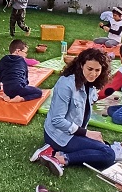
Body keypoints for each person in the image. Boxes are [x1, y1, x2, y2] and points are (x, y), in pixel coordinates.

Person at [31, 47, 115, 176]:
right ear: (81, 65)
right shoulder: (66, 84)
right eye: (90, 69)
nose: (93, 74)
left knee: (106, 148)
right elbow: (57, 120)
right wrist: (87, 133)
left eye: (98, 70)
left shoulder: (90, 84)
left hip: (74, 133)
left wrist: (86, 134)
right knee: (108, 154)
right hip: (58, 135)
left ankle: (51, 151)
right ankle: (61, 158)